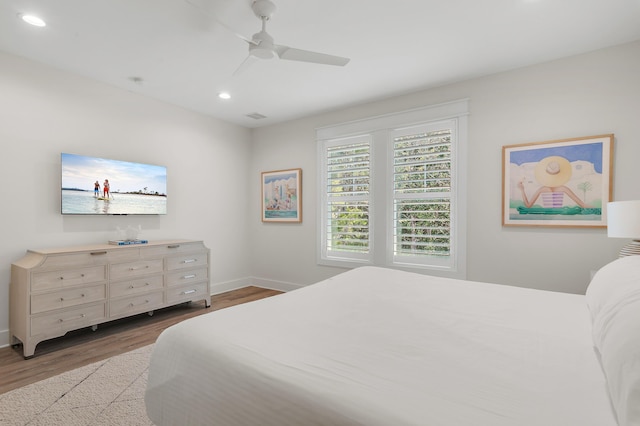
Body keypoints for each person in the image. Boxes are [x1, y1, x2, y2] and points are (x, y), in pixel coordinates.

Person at [517, 155, 587, 208]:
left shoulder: (542, 189)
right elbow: (582, 205)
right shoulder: (563, 188)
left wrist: (522, 190)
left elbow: (528, 205)